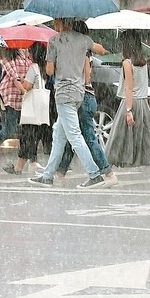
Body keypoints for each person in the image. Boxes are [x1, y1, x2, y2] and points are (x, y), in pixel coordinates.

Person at [30, 18, 109, 189]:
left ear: (60, 23)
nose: (53, 26)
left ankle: (94, 175)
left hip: (64, 93)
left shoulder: (54, 41)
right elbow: (100, 50)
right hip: (79, 93)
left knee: (74, 136)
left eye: (55, 22)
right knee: (59, 135)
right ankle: (47, 175)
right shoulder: (84, 39)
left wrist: (59, 61)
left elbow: (50, 70)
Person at [104, 30, 150, 179]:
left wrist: (128, 110)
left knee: (116, 137)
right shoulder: (143, 61)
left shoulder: (127, 62)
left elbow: (129, 87)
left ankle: (106, 170)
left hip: (130, 102)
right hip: (142, 101)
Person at [10, 42, 51, 175]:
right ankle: (49, 166)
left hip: (33, 109)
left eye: (30, 51)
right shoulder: (46, 67)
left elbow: (27, 86)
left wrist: (21, 81)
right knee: (41, 136)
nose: (28, 54)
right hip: (44, 109)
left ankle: (18, 167)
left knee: (27, 136)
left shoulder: (34, 68)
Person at [0, 46, 28, 154]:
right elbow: (15, 78)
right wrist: (25, 91)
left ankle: (31, 159)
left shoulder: (24, 54)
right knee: (9, 130)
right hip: (10, 97)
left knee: (29, 129)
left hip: (23, 98)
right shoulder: (6, 58)